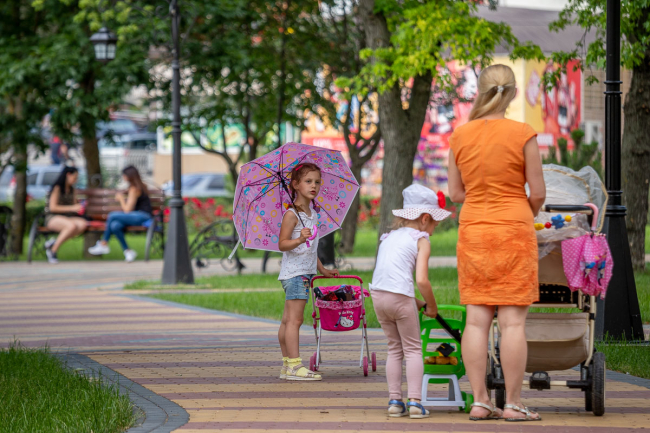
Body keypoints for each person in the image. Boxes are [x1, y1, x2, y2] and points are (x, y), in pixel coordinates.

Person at [447, 64, 546, 422]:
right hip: (514, 229)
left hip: (474, 229)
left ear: (481, 91)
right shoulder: (523, 133)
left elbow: (456, 193)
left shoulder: (460, 136)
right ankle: (514, 404)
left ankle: (480, 401)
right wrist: (521, 212)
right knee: (513, 324)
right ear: (514, 93)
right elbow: (538, 192)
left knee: (476, 322)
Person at [370, 184, 450, 419]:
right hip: (399, 299)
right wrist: (431, 305)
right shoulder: (421, 239)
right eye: (435, 224)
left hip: (378, 297)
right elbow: (422, 281)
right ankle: (415, 402)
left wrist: (418, 303)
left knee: (394, 348)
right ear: (425, 219)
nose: (433, 230)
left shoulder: (388, 237)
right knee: (413, 349)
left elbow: (391, 283)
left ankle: (395, 402)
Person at [278, 162, 339, 381]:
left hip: (304, 272)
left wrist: (322, 269)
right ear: (295, 185)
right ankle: (295, 365)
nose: (314, 186)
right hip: (296, 274)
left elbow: (310, 249)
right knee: (294, 321)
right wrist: (299, 238)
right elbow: (282, 244)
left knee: (287, 320)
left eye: (317, 182)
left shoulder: (312, 213)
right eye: (308, 181)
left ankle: (287, 366)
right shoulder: (291, 214)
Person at [87, 166, 153, 262]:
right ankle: (128, 251)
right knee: (115, 226)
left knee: (112, 215)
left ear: (129, 176)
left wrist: (121, 199)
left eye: (124, 175)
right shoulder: (140, 186)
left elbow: (127, 210)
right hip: (139, 216)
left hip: (143, 216)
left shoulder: (134, 189)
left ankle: (104, 243)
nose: (123, 177)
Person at [44, 166, 87, 264]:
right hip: (53, 217)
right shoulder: (57, 188)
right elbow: (53, 207)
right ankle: (53, 251)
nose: (76, 180)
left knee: (82, 224)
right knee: (71, 226)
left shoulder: (72, 190)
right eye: (75, 177)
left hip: (67, 217)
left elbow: (75, 205)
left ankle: (54, 243)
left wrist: (80, 206)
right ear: (68, 175)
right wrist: (72, 208)